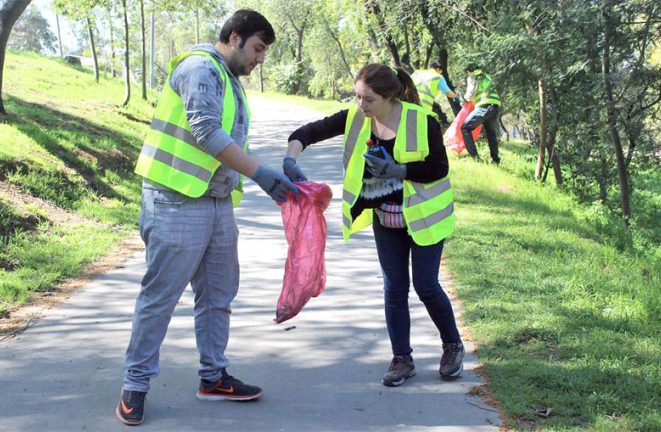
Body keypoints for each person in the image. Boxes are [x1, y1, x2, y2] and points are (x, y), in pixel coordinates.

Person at [116, 9, 298, 426]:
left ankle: (213, 377)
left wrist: (265, 173)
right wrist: (261, 175)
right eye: (257, 48)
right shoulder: (200, 68)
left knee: (218, 295)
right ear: (234, 37)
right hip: (175, 202)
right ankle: (135, 385)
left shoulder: (228, 78)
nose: (259, 59)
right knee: (160, 298)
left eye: (264, 52)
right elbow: (206, 132)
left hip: (215, 203)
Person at [282, 63, 465, 387]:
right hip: (386, 221)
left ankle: (452, 346)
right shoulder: (356, 118)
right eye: (357, 97)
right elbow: (307, 133)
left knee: (425, 285)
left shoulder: (422, 121)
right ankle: (402, 359)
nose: (361, 106)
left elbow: (438, 167)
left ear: (389, 96)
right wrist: (290, 158)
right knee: (394, 288)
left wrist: (397, 170)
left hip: (424, 219)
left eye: (368, 99)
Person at [461, 64, 502, 164]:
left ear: (469, 71)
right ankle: (495, 160)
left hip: (484, 105)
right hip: (495, 106)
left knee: (465, 128)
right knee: (491, 133)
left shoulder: (473, 76)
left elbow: (470, 93)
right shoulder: (487, 76)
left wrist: (464, 99)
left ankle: (475, 157)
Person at [411, 62, 459, 127]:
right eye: (441, 72)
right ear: (439, 69)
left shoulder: (417, 73)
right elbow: (448, 93)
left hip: (409, 103)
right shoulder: (438, 77)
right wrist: (456, 97)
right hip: (424, 107)